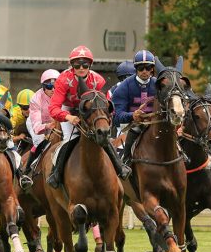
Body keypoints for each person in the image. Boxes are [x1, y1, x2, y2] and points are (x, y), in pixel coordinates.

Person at [47, 46, 130, 188]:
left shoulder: (98, 81)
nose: (81, 68)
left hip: (89, 112)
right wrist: (69, 117)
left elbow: (104, 104)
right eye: (76, 65)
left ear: (90, 65)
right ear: (71, 65)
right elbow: (53, 108)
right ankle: (56, 174)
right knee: (70, 138)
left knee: (102, 137)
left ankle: (119, 167)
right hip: (70, 110)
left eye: (85, 65)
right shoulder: (63, 80)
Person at [112, 50, 159, 166]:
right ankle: (123, 165)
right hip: (128, 127)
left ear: (152, 68)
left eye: (148, 67)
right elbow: (117, 117)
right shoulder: (123, 87)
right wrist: (132, 116)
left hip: (155, 125)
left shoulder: (159, 85)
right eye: (140, 68)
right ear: (135, 68)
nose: (144, 71)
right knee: (119, 156)